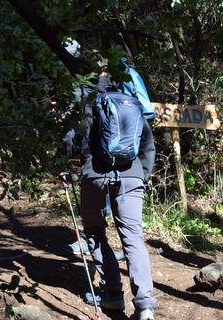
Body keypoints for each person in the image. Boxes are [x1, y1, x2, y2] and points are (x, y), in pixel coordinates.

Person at [61, 74, 157, 320]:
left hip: (96, 175)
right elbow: (147, 142)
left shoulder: (84, 96)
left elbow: (70, 135)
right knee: (133, 237)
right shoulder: (129, 96)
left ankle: (113, 294)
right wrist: (141, 175)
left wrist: (63, 160)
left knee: (94, 231)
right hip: (132, 175)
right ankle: (145, 306)